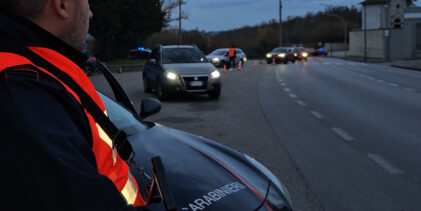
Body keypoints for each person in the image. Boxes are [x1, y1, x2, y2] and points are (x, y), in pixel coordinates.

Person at [0, 0, 146, 210]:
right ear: (62, 5)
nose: (91, 14)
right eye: (87, 2)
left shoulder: (38, 72)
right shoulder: (21, 91)